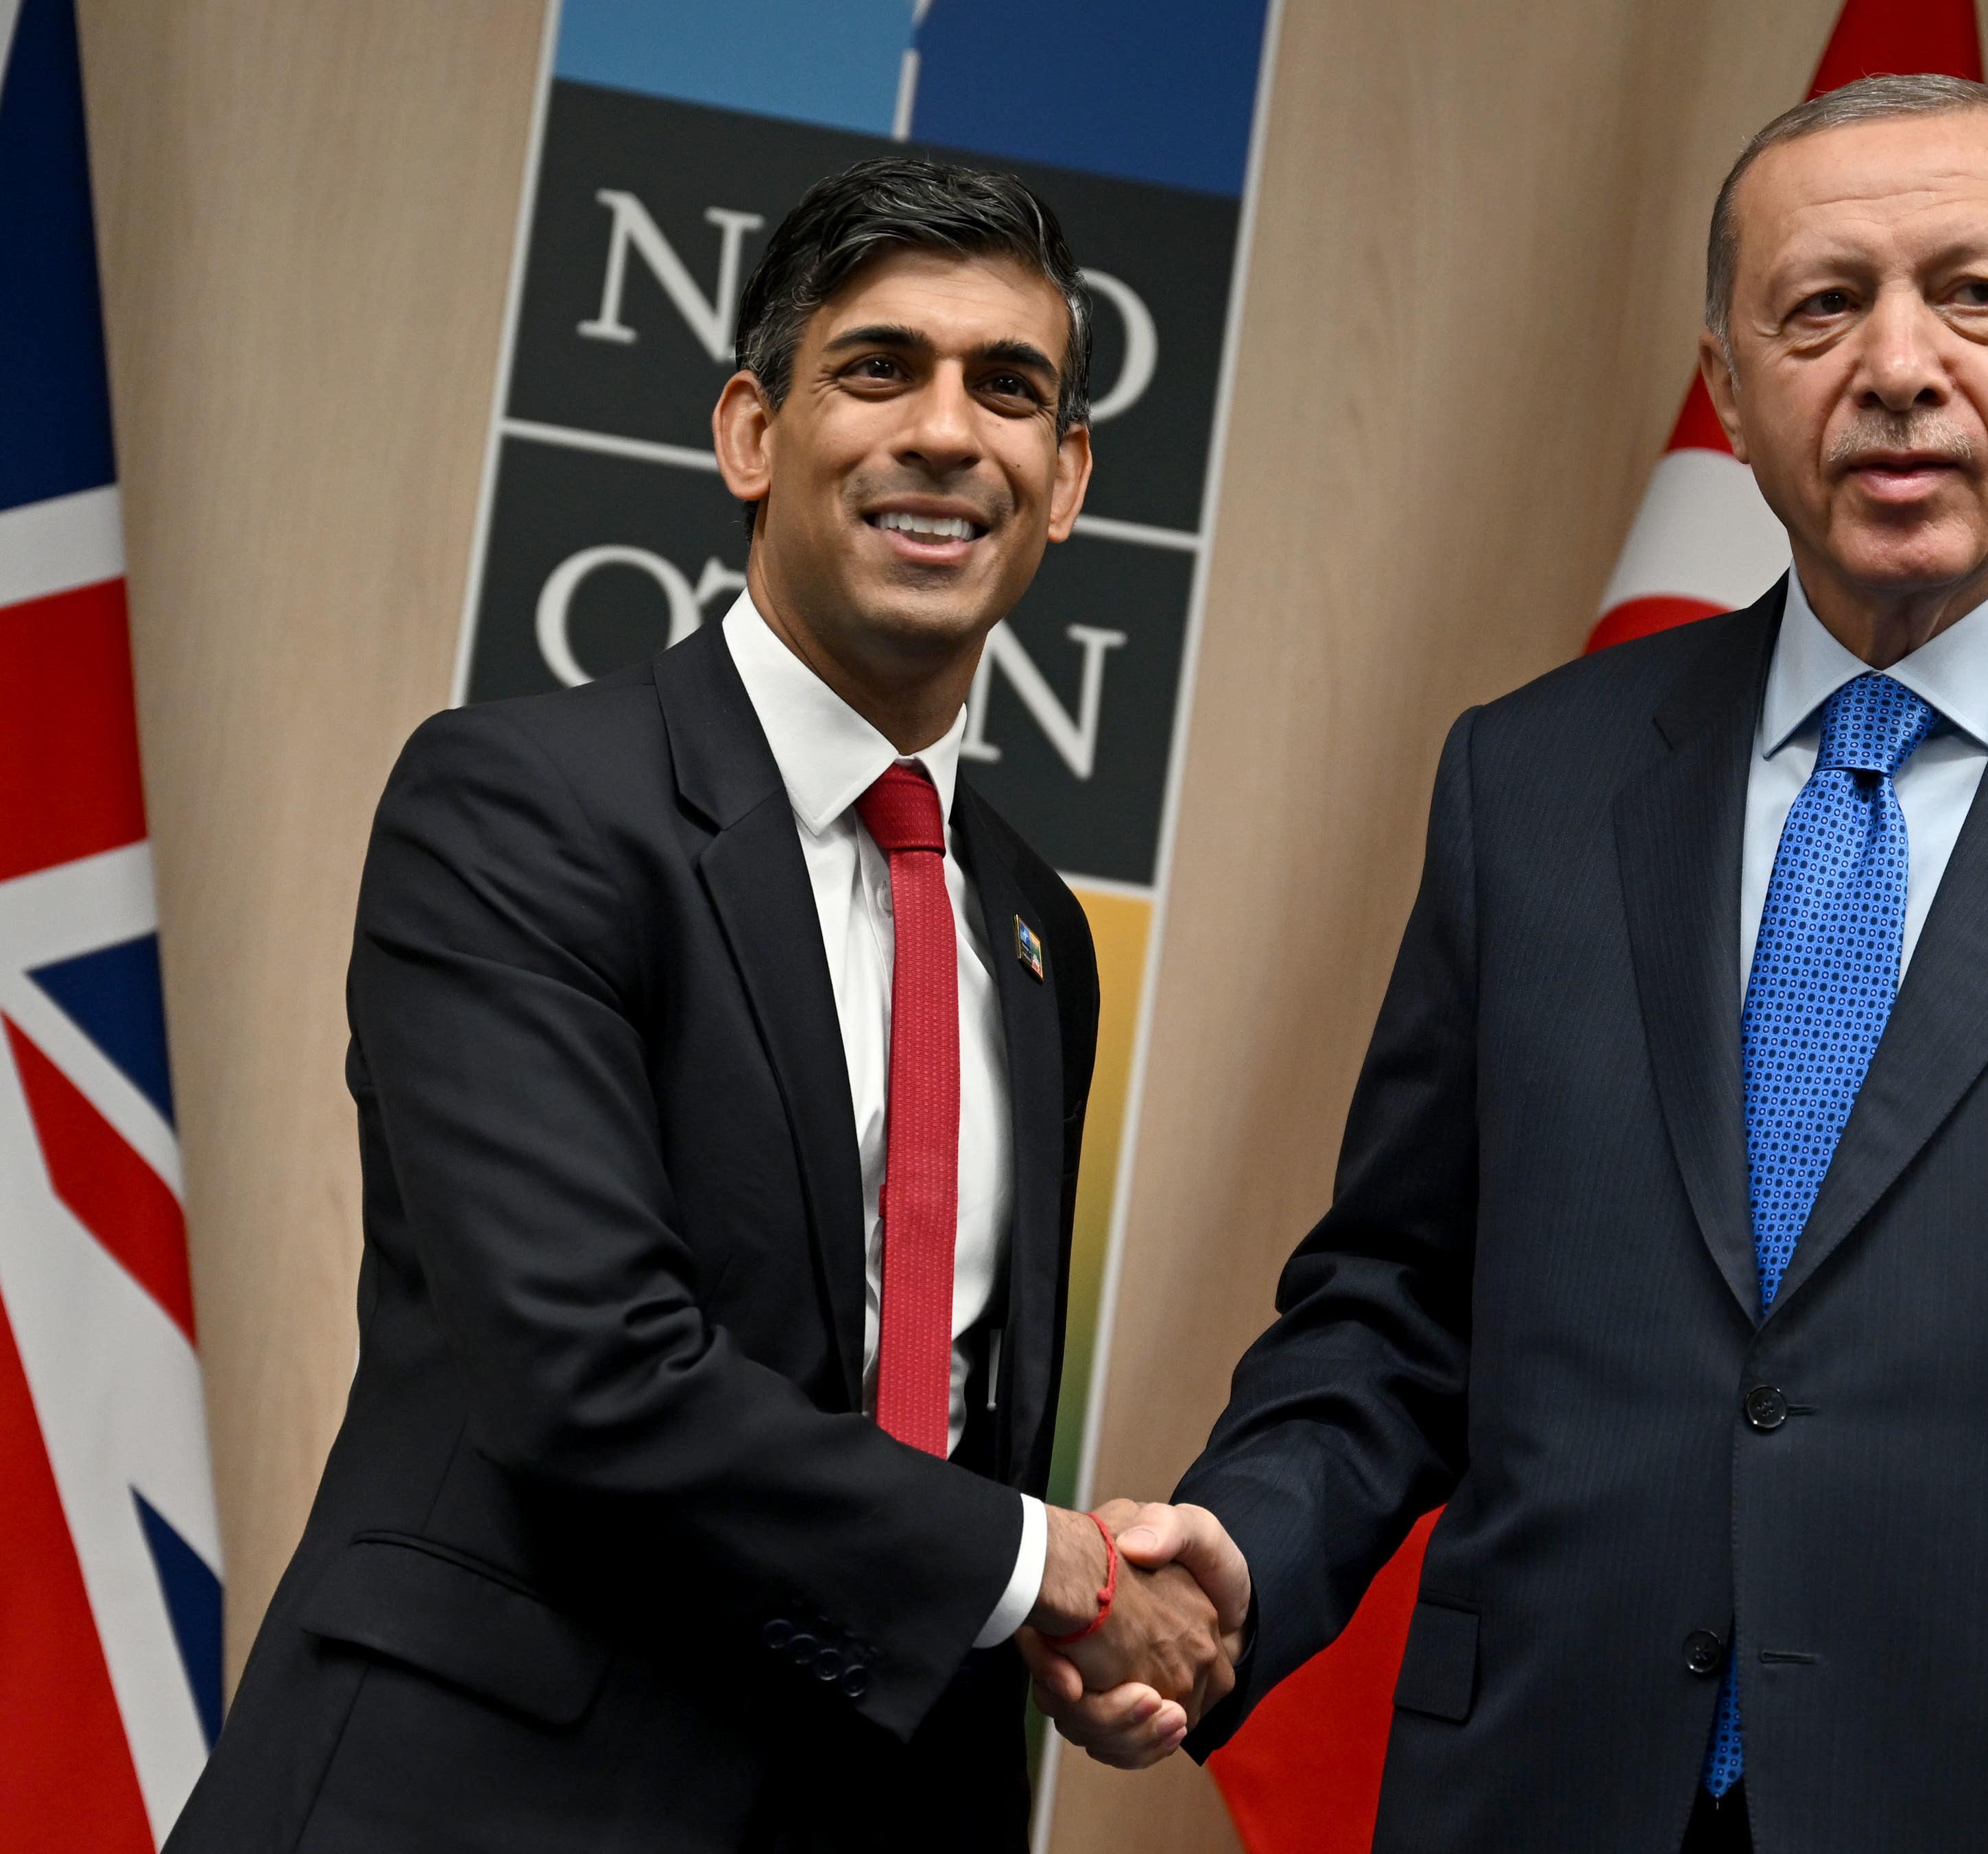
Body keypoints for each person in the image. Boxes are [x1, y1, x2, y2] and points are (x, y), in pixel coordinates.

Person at [1049, 75, 1988, 1853]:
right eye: (1823, 305)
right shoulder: (1538, 776)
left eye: (1976, 294)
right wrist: (1245, 1552)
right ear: (1728, 389)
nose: (1898, 364)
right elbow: (1403, 1301)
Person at [169, 158, 1239, 1853]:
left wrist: (1041, 1622)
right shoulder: (518, 804)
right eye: (880, 368)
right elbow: (594, 1369)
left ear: (1068, 481)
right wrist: (1053, 1567)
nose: (950, 433)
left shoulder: (1036, 929)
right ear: (751, 433)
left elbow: (950, 1432)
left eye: (1010, 390)